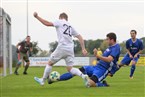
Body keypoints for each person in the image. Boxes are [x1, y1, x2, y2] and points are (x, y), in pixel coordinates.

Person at [33, 12, 88, 86]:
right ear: (67, 18)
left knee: (50, 63)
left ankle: (42, 80)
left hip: (62, 47)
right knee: (70, 69)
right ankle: (83, 76)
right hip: (70, 49)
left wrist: (37, 17)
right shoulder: (70, 25)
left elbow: (47, 23)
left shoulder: (59, 21)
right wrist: (83, 49)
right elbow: (80, 37)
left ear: (60, 17)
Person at [49, 32, 120, 87]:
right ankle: (56, 79)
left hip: (103, 70)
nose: (106, 41)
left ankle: (103, 84)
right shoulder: (109, 48)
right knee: (76, 71)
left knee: (89, 84)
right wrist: (97, 56)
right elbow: (102, 59)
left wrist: (98, 55)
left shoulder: (116, 48)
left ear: (112, 40)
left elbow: (109, 60)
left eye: (107, 39)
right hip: (96, 67)